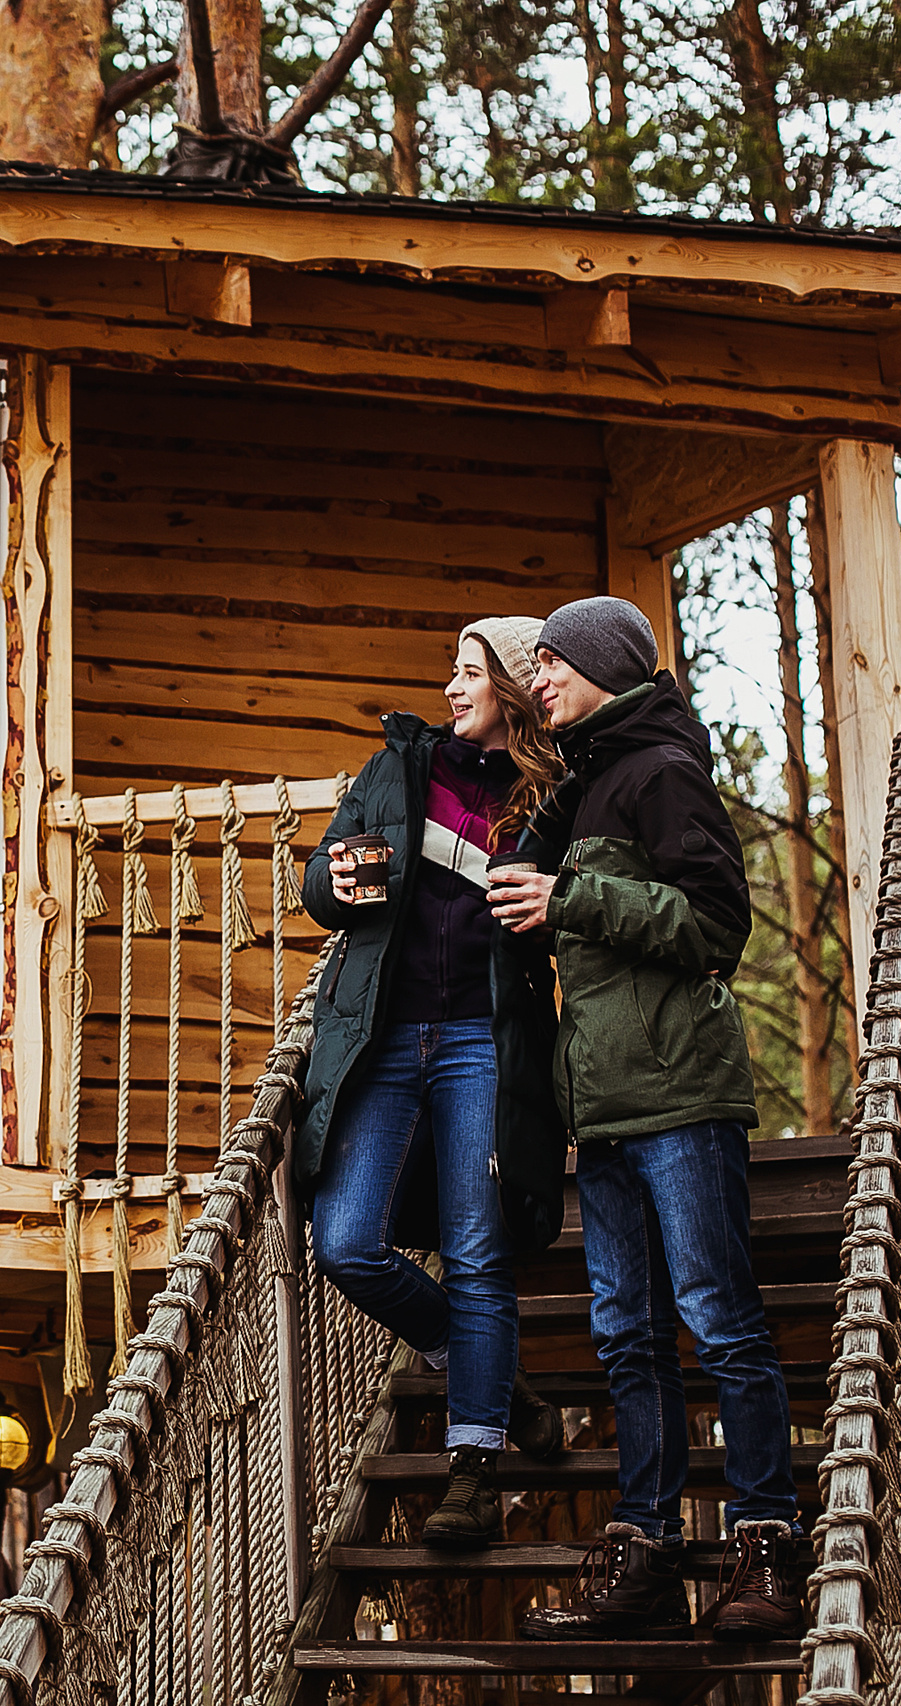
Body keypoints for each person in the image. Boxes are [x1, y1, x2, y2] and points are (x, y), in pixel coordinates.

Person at [487, 595, 804, 1640]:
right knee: (626, 1337)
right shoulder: (580, 783)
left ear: (607, 666)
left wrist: (571, 902)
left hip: (679, 1097)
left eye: (555, 662)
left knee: (717, 1316)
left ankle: (766, 1539)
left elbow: (718, 925)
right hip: (606, 1109)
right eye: (533, 665)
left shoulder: (663, 771)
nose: (539, 676)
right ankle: (646, 1554)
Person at [294, 618, 572, 1551]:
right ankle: (488, 1373)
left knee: (477, 1250)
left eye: (470, 673)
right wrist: (338, 882)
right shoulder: (398, 770)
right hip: (381, 1036)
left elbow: (570, 917)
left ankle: (475, 1469)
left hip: (482, 1043)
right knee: (343, 1241)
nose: (451, 689)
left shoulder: (552, 798)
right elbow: (319, 886)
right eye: (451, 672)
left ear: (515, 691)